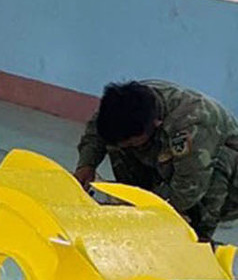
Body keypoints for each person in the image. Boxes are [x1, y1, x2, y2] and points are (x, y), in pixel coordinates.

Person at [75, 80, 238, 240]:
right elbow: (95, 134)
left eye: (132, 143)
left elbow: (188, 188)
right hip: (171, 163)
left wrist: (146, 208)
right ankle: (136, 207)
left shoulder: (192, 123)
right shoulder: (121, 105)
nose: (129, 147)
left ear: (155, 123)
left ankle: (198, 239)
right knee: (116, 144)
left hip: (223, 184)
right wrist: (86, 165)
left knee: (219, 163)